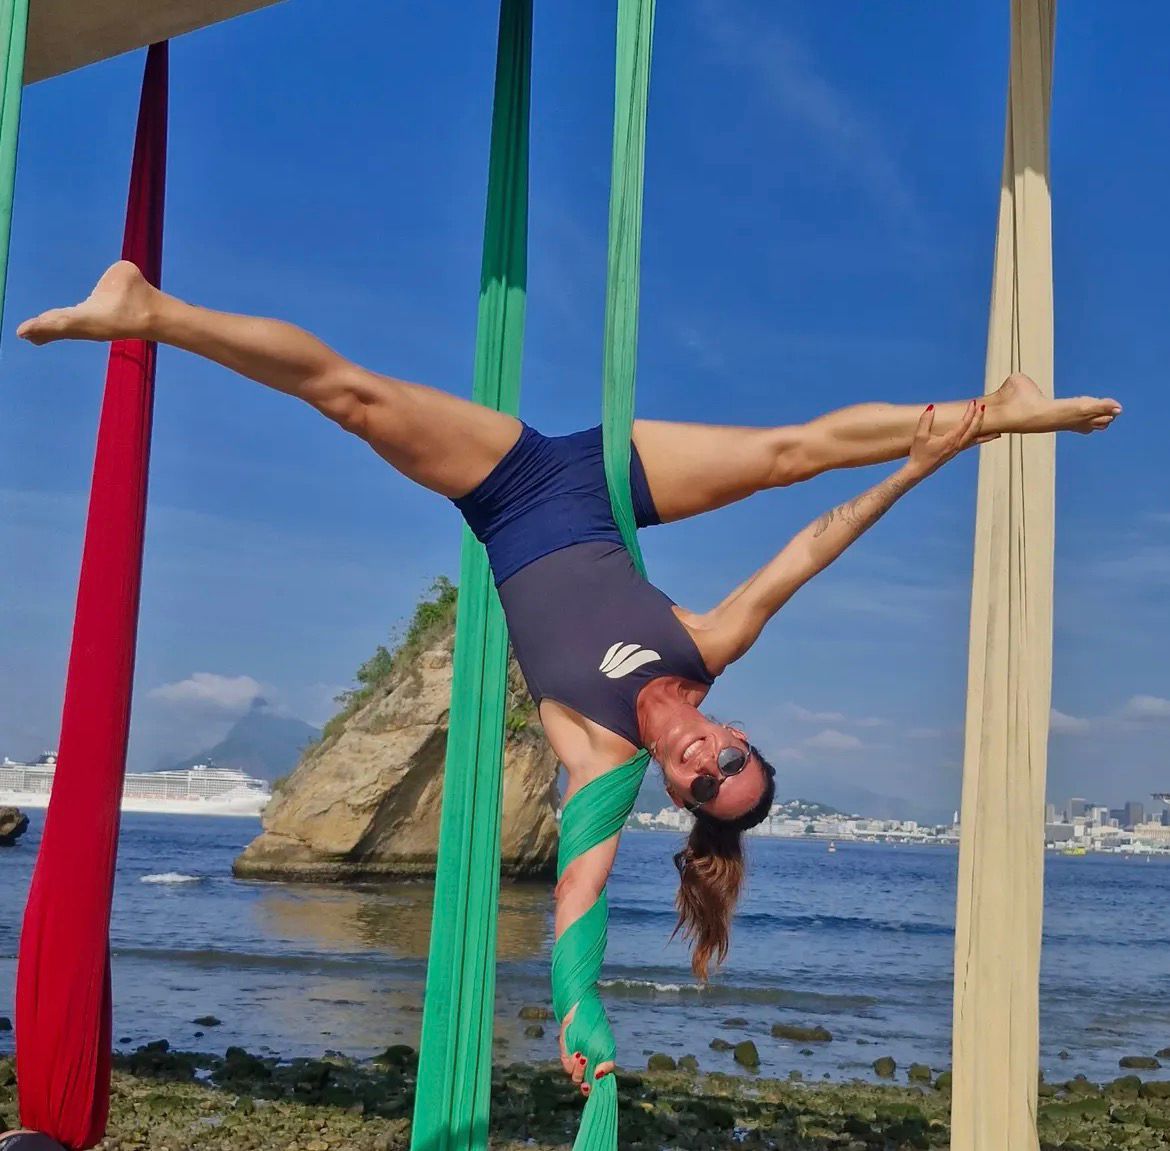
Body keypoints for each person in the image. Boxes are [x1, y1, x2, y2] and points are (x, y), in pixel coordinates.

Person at [18, 262, 1121, 1094]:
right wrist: (931, 459)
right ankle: (999, 409)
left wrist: (580, 1005)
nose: (704, 761)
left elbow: (579, 900)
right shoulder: (708, 645)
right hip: (595, 481)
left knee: (345, 395)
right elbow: (815, 539)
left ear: (680, 798)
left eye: (701, 787)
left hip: (505, 495)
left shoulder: (600, 759)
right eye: (732, 758)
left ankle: (147, 310)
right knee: (799, 447)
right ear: (740, 731)